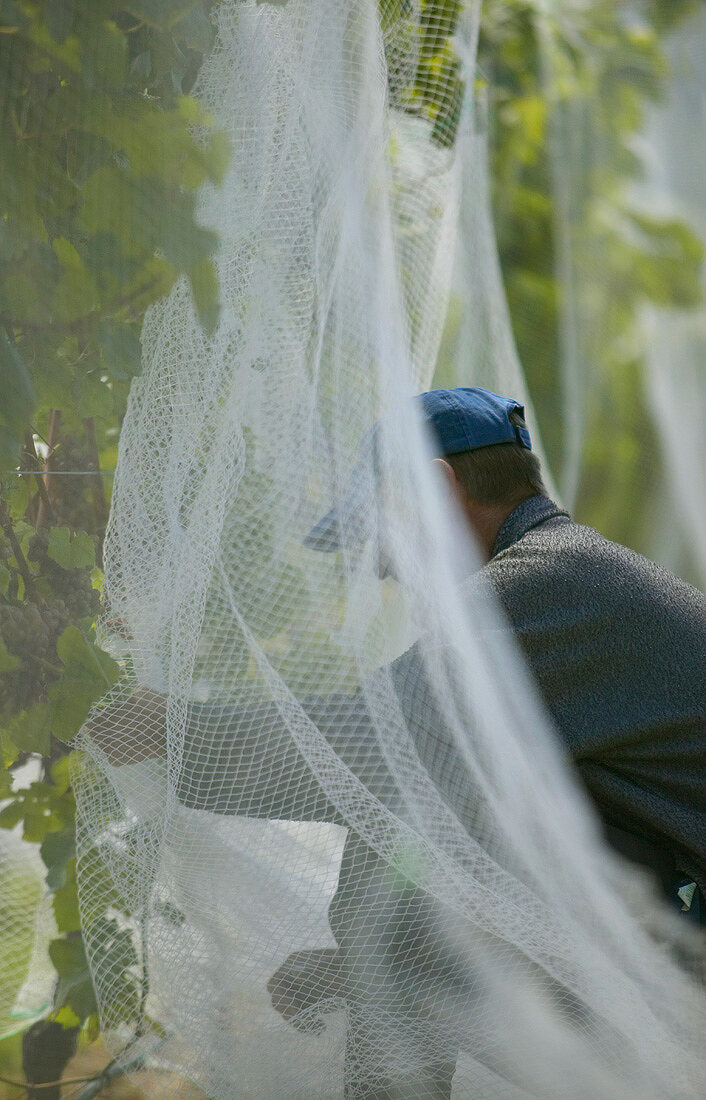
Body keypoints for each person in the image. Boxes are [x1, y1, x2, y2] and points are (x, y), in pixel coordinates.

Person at [89, 387, 706, 1097]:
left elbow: (376, 751)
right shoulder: (572, 575)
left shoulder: (540, 587)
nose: (380, 566)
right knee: (405, 909)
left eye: (378, 528)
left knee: (398, 952)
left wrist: (168, 731)